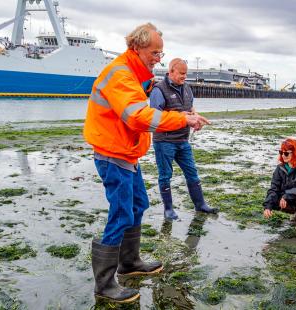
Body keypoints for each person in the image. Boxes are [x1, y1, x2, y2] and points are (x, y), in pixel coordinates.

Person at [83, 23, 210, 303]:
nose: (158, 59)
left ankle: (130, 262)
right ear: (136, 47)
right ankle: (104, 284)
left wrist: (149, 86)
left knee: (138, 205)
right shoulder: (120, 74)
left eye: (160, 54)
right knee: (121, 214)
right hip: (112, 153)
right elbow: (137, 116)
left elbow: (136, 99)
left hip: (126, 153)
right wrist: (183, 119)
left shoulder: (134, 74)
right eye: (155, 53)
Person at [150, 58, 217, 220]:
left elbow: (191, 109)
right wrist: (178, 117)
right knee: (165, 175)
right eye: (181, 73)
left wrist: (196, 119)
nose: (184, 76)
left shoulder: (187, 88)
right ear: (171, 71)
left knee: (192, 173)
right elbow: (153, 119)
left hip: (182, 141)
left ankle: (200, 205)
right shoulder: (159, 90)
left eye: (186, 73)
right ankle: (168, 209)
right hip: (164, 142)